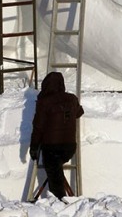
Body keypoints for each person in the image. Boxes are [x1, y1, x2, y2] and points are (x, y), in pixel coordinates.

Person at [29, 71, 84, 199]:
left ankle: (60, 203)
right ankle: (62, 200)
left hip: (51, 149)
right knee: (55, 172)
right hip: (69, 148)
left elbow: (38, 128)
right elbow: (79, 112)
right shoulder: (72, 98)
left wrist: (33, 148)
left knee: (55, 180)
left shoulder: (44, 102)